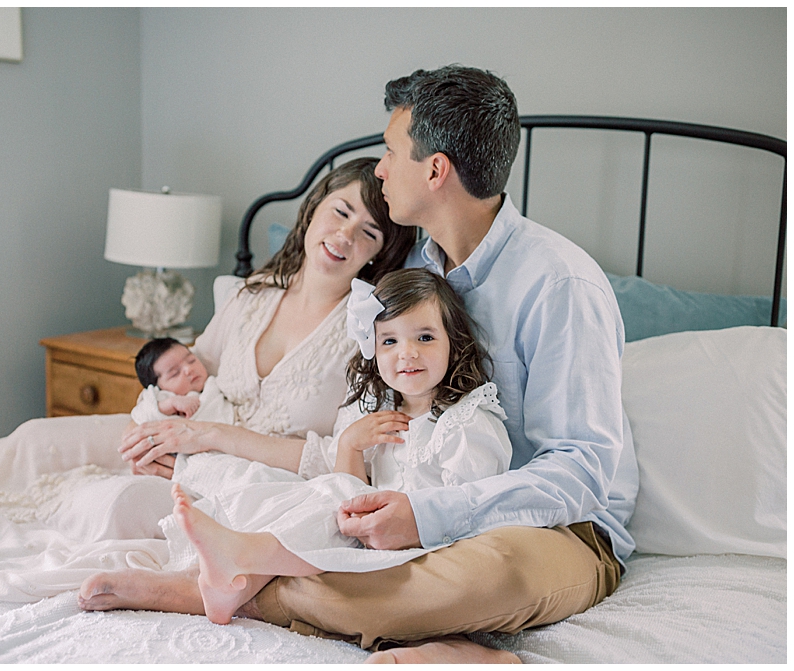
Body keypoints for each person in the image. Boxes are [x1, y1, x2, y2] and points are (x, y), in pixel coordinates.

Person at [99, 65, 638, 665]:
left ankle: (228, 590)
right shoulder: (415, 277)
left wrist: (430, 516)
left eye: (389, 151)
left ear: (435, 170)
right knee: (330, 523)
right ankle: (465, 648)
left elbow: (583, 470)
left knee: (490, 573)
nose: (380, 169)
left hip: (557, 529)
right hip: (415, 492)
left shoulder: (559, 283)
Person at [78, 156, 418, 609]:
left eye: (369, 232)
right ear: (314, 207)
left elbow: (348, 461)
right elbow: (187, 373)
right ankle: (213, 569)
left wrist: (212, 434)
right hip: (197, 473)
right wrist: (145, 434)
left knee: (320, 513)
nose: (345, 235)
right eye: (341, 211)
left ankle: (189, 590)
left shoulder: (370, 332)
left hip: (280, 491)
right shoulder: (251, 294)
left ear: (379, 251)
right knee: (113, 500)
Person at [167, 268, 512, 625]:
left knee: (326, 499)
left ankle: (243, 554)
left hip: (425, 555)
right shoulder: (378, 411)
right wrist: (349, 446)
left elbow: (474, 511)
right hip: (367, 538)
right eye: (389, 341)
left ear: (453, 342)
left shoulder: (467, 421)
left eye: (424, 337)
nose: (407, 353)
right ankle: (236, 585)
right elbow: (348, 495)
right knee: (311, 492)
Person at [129, 337, 233, 424]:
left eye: (191, 361)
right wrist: (170, 405)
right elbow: (140, 415)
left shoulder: (213, 384)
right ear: (158, 386)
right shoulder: (161, 397)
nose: (189, 369)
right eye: (175, 373)